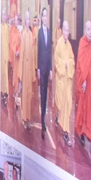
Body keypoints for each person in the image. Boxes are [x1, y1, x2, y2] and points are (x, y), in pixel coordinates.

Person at [75, 21, 91, 158]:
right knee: (83, 106)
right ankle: (82, 130)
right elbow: (80, 63)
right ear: (85, 30)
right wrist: (83, 79)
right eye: (88, 29)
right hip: (84, 82)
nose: (90, 32)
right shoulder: (82, 43)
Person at [55, 21, 76, 147]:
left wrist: (69, 63)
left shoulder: (69, 45)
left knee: (68, 103)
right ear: (62, 30)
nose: (67, 33)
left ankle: (66, 130)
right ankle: (63, 127)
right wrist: (64, 64)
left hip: (67, 81)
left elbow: (73, 60)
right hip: (61, 79)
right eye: (65, 30)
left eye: (68, 30)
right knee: (61, 103)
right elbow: (56, 60)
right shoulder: (59, 44)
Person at [37, 8, 53, 139]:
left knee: (46, 94)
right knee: (42, 94)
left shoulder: (49, 31)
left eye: (47, 16)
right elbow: (38, 51)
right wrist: (38, 68)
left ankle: (43, 117)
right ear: (42, 18)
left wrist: (51, 69)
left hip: (48, 68)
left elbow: (50, 52)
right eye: (44, 16)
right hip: (41, 68)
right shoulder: (39, 32)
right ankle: (42, 122)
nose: (45, 18)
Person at [20, 13, 35, 129]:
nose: (28, 21)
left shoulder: (31, 34)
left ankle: (29, 117)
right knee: (24, 93)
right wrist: (20, 72)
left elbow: (33, 54)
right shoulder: (23, 34)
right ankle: (24, 118)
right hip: (24, 67)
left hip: (30, 68)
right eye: (27, 19)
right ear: (24, 21)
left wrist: (33, 71)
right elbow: (21, 54)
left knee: (29, 94)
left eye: (29, 19)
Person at [1, 15, 10, 106]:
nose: (4, 17)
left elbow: (8, 41)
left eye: (4, 15)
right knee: (2, 73)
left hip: (5, 54)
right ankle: (1, 90)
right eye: (2, 15)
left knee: (5, 73)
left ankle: (5, 91)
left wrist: (8, 55)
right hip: (1, 54)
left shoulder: (7, 27)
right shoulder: (0, 27)